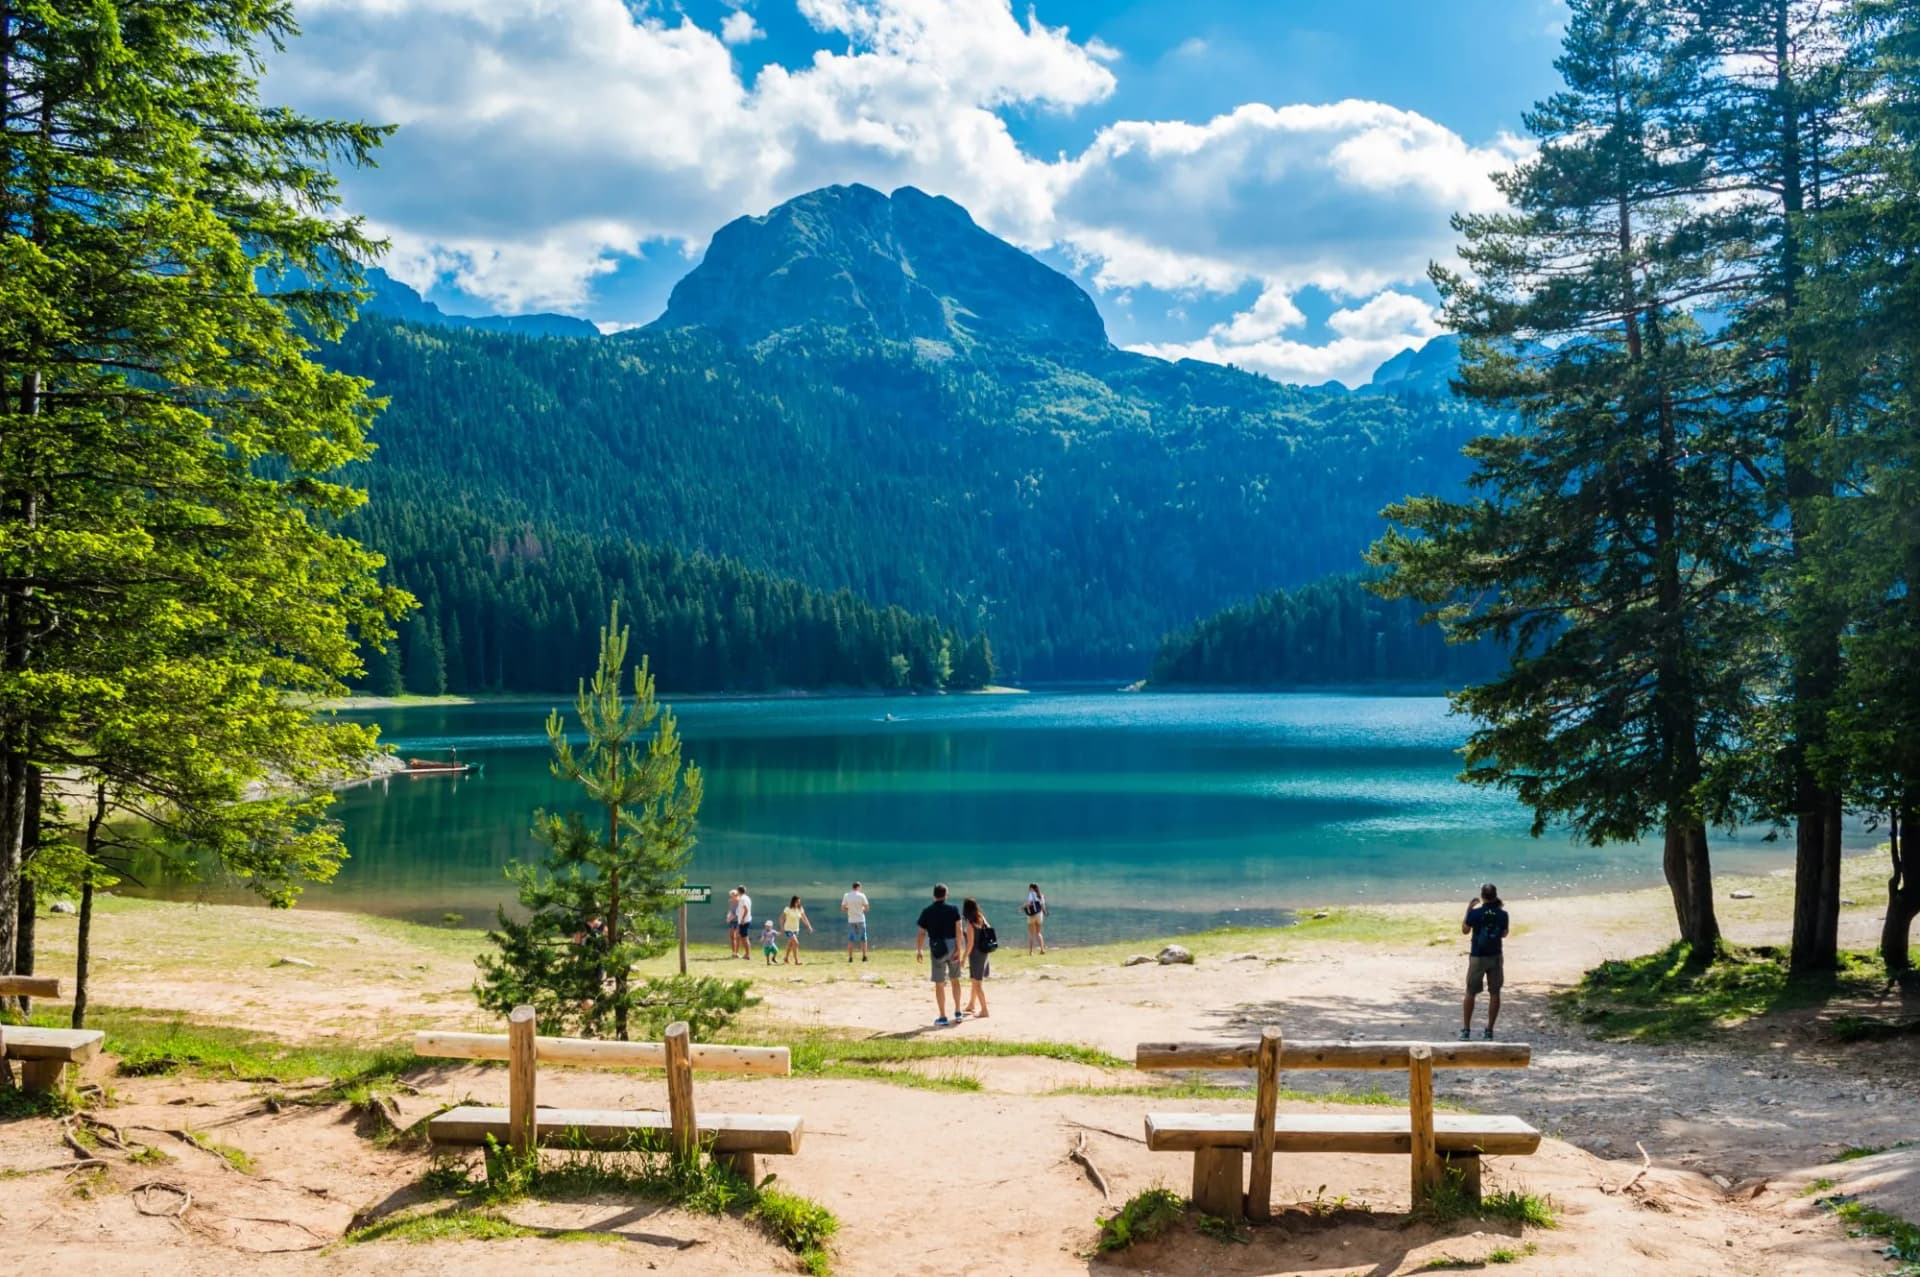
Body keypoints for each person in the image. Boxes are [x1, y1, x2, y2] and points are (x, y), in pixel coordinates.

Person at [1461, 883, 1510, 1040]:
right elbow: (1504, 934)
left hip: (1477, 956)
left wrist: (1468, 909)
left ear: (1482, 896)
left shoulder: (1475, 913)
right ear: (1495, 895)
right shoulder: (1503, 914)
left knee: (1470, 992)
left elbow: (1465, 930)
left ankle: (1466, 1030)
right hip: (1495, 956)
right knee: (1494, 993)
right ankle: (1489, 1031)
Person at [914, 883, 965, 1026]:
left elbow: (922, 933)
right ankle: (958, 1012)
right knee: (955, 979)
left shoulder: (927, 911)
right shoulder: (953, 909)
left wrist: (919, 950)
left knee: (939, 983)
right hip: (952, 947)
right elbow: (959, 930)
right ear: (946, 895)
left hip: (937, 948)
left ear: (933, 895)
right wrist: (958, 949)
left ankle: (942, 1016)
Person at [960, 897, 996, 1019]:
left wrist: (963, 959)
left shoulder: (970, 925)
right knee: (975, 981)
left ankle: (985, 1010)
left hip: (976, 955)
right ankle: (971, 1004)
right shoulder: (981, 917)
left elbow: (970, 945)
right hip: (984, 952)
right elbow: (989, 928)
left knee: (977, 983)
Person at [841, 880, 872, 963]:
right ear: (858, 887)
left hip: (851, 920)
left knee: (851, 939)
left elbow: (843, 908)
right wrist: (861, 909)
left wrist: (849, 908)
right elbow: (867, 907)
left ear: (852, 887)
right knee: (863, 939)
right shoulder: (862, 895)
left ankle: (850, 958)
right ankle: (864, 957)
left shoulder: (846, 895)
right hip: (861, 919)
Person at [780, 895, 814, 964]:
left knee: (790, 944)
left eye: (799, 902)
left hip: (796, 929)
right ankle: (796, 961)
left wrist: (809, 926)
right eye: (797, 901)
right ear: (793, 901)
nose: (798, 903)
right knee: (796, 943)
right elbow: (781, 918)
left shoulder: (800, 909)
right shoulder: (787, 909)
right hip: (788, 929)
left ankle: (786, 958)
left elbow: (804, 918)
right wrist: (782, 927)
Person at [1024, 883, 1047, 955]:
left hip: (1032, 916)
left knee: (1031, 933)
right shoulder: (1041, 896)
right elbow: (1043, 907)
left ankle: (1031, 951)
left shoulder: (1031, 894)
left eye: (1029, 888)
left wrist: (1021, 907)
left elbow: (1029, 903)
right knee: (1038, 933)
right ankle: (1042, 949)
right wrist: (1045, 912)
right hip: (1039, 915)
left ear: (1031, 888)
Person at [734, 885, 753, 960]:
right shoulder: (746, 897)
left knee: (745, 938)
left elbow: (746, 909)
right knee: (742, 937)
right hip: (745, 920)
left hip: (744, 921)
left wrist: (742, 919)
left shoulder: (743, 899)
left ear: (739, 891)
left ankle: (748, 955)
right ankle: (745, 954)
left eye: (737, 891)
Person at [725, 888, 743, 958]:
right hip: (732, 921)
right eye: (730, 896)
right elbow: (730, 910)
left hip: (738, 921)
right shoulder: (730, 901)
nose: (731, 897)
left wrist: (731, 918)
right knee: (732, 936)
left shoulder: (740, 902)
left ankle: (737, 953)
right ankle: (733, 952)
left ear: (736, 895)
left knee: (738, 937)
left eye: (732, 895)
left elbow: (739, 912)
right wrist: (728, 917)